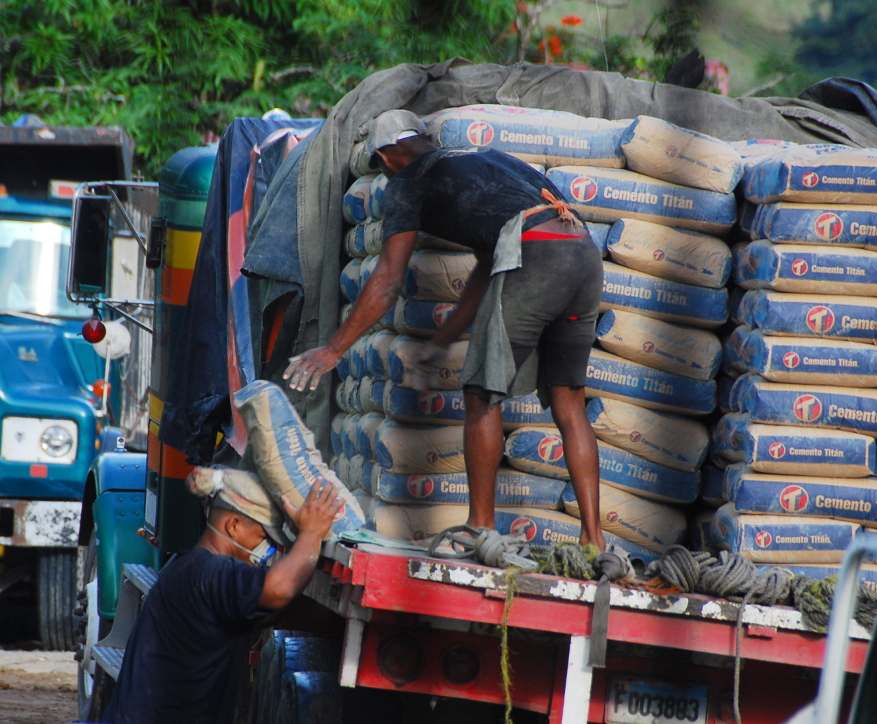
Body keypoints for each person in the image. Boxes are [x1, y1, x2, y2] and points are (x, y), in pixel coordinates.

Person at [284, 109, 605, 550]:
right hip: (584, 254)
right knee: (569, 404)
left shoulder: (409, 180)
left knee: (479, 395)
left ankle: (480, 528)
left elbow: (387, 280)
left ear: (389, 153)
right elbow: (488, 265)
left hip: (536, 257)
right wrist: (440, 342)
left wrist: (333, 350)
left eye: (379, 166)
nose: (382, 174)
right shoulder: (485, 159)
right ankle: (594, 540)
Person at [101, 468, 344, 724]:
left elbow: (270, 611)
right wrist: (311, 534)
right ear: (233, 525)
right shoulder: (209, 572)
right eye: (263, 539)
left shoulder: (189, 569)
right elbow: (277, 590)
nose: (265, 551)